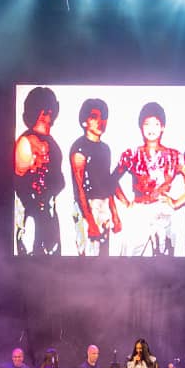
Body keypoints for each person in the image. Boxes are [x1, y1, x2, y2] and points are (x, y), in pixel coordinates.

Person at [108, 103, 185, 257]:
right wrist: (126, 202)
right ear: (141, 127)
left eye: (156, 124)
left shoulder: (173, 156)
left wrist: (176, 202)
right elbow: (111, 180)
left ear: (162, 127)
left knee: (164, 262)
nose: (151, 128)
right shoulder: (131, 154)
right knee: (127, 259)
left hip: (164, 213)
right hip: (140, 211)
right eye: (147, 124)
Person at [13, 87, 64, 256]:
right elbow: (19, 184)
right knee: (33, 256)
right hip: (33, 213)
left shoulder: (49, 140)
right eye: (46, 110)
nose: (50, 115)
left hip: (48, 210)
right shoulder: (26, 142)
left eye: (51, 110)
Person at [68, 97, 114, 256]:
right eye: (94, 117)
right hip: (87, 206)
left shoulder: (106, 149)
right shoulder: (79, 148)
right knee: (87, 256)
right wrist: (90, 221)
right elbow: (79, 186)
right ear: (84, 121)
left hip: (104, 207)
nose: (100, 122)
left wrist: (114, 213)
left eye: (104, 117)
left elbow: (108, 183)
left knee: (104, 255)